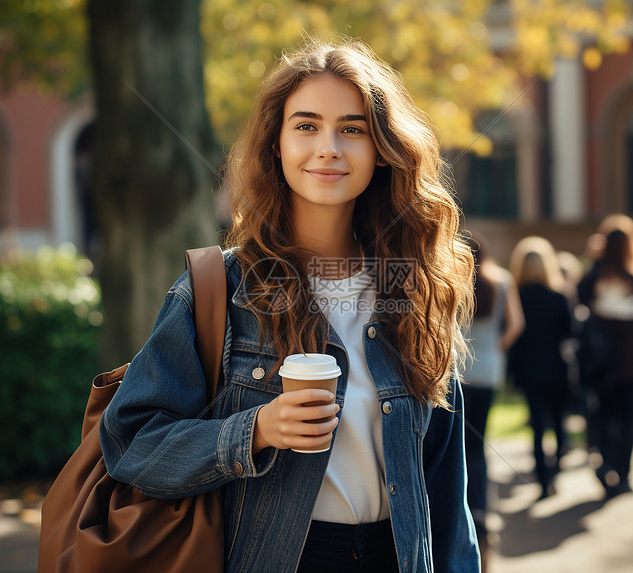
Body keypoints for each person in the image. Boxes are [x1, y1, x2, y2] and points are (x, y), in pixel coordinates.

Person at [98, 39, 480, 573]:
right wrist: (256, 429)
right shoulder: (221, 287)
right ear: (276, 145)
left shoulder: (413, 288)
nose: (329, 147)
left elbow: (445, 490)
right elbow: (130, 441)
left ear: (382, 149)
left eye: (352, 128)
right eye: (306, 126)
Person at [577, 214, 633, 499]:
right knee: (628, 421)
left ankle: (606, 465)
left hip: (603, 363)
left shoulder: (593, 280)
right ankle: (623, 475)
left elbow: (578, 306)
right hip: (632, 363)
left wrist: (594, 259)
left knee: (605, 417)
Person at [461, 232, 524, 567]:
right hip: (489, 374)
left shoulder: (453, 278)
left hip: (458, 373)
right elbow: (516, 324)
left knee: (458, 445)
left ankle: (468, 512)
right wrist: (496, 350)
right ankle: (483, 516)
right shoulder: (502, 281)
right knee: (478, 448)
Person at [507, 236, 573, 499]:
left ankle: (543, 482)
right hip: (557, 368)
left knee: (536, 426)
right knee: (558, 423)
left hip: (529, 370)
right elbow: (569, 331)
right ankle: (555, 469)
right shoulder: (558, 297)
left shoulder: (517, 297)